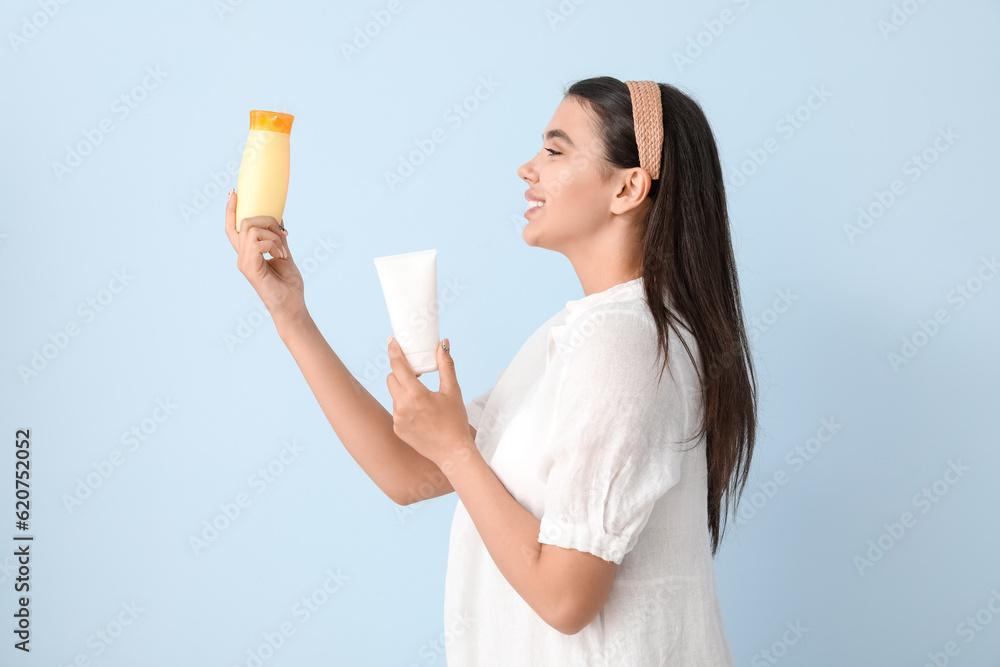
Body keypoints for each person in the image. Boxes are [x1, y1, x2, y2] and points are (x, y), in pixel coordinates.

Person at [224, 75, 758, 665]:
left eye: (555, 151)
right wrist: (290, 314)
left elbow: (565, 597)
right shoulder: (575, 335)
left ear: (629, 187)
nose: (528, 169)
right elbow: (408, 474)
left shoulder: (624, 342)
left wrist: (456, 450)